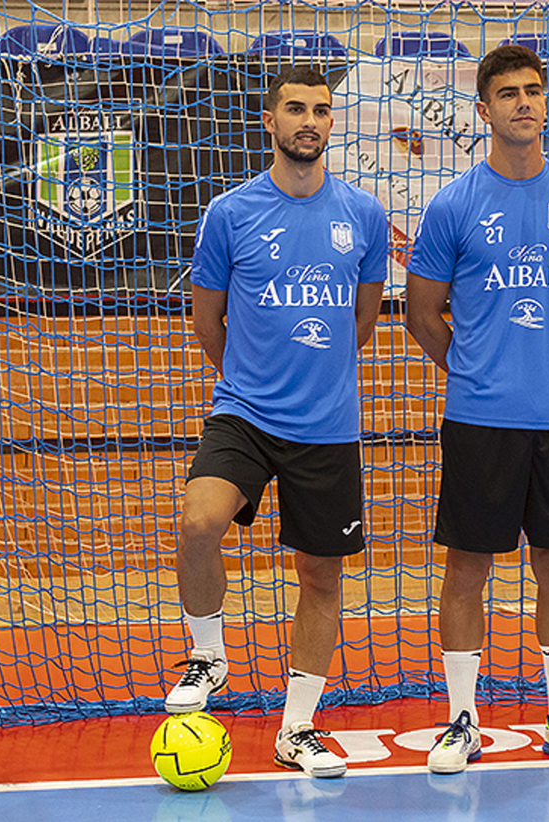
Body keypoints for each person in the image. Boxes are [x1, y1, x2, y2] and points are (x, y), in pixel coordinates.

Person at [406, 44, 549, 775]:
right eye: (508, 93)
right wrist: (477, 367)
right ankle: (462, 720)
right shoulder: (453, 203)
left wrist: (545, 358)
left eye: (533, 90)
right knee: (468, 568)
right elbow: (422, 312)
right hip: (480, 417)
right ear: (484, 110)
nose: (524, 102)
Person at [164, 66, 387, 779]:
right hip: (246, 413)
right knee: (199, 521)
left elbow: (363, 319)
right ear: (269, 120)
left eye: (321, 110)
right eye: (296, 109)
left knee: (321, 577)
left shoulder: (365, 215)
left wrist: (315, 378)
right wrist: (253, 379)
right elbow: (206, 318)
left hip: (327, 426)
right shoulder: (230, 213)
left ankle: (298, 729)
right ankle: (208, 654)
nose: (310, 121)